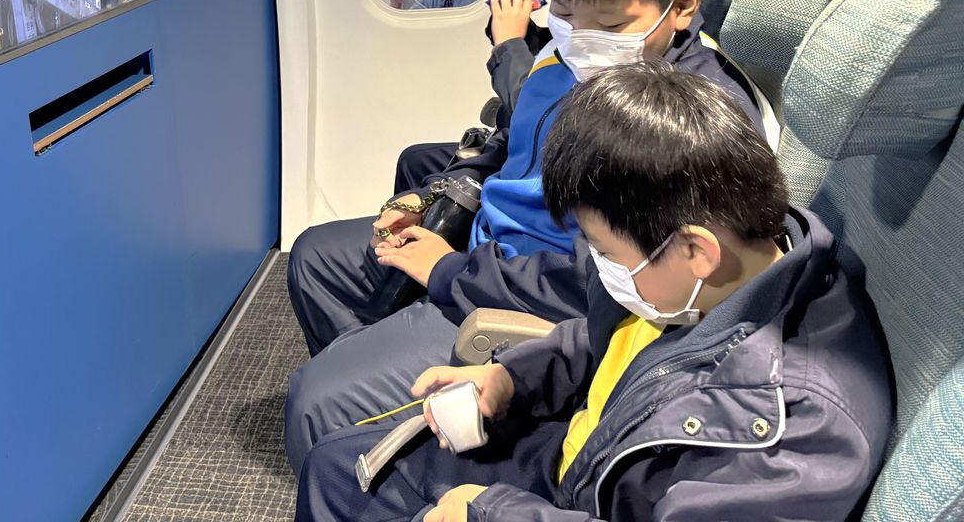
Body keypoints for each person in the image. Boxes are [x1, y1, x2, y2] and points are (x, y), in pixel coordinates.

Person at [284, 0, 764, 471]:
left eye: (609, 24)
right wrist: (431, 197)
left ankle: (372, 441)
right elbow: (511, 136)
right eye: (565, 15)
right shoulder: (562, 53)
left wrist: (447, 271)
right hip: (485, 248)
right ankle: (382, 416)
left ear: (682, 6)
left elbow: (614, 278)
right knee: (313, 258)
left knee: (315, 402)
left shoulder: (684, 119)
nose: (580, 41)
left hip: (534, 297)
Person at [295, 63, 892, 522]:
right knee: (336, 466)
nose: (600, 269)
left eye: (606, 252)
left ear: (696, 251)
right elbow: (612, 342)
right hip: (582, 452)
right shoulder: (726, 265)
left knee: (348, 484)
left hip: (583, 497)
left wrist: (489, 512)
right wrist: (513, 377)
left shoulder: (798, 434)